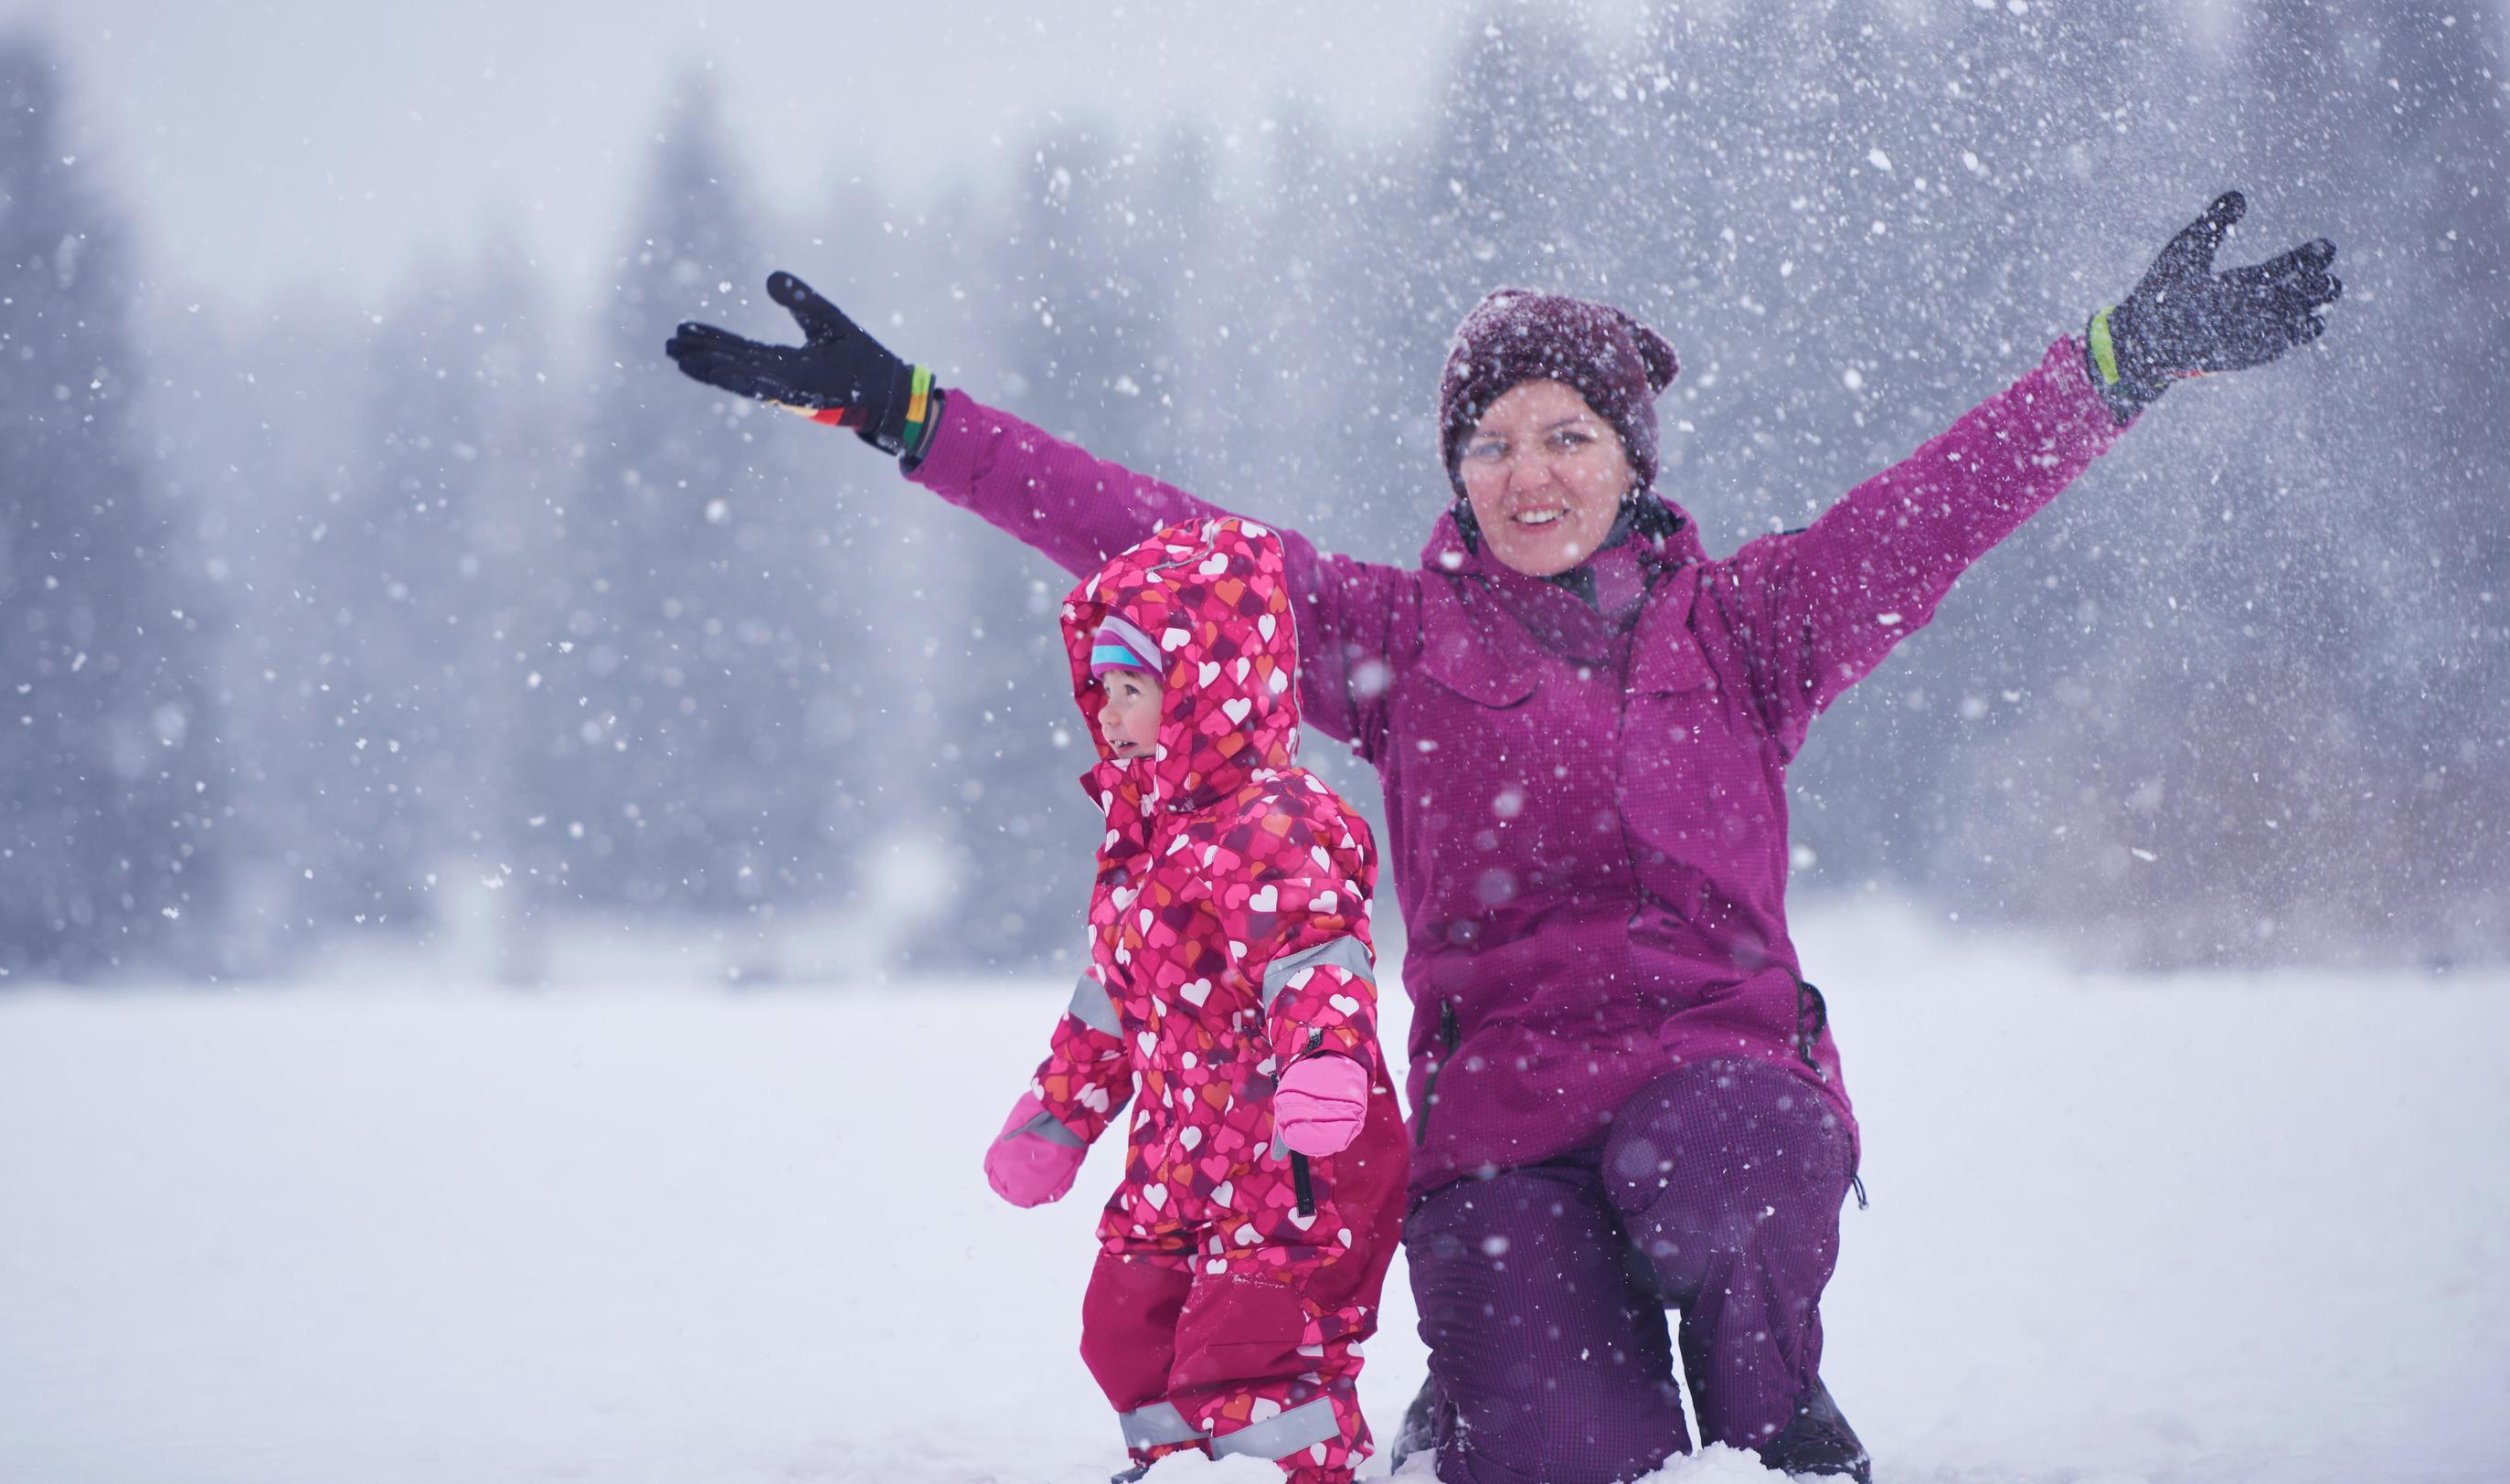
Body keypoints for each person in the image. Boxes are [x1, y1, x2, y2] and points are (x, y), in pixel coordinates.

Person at [667, 191, 2341, 1482]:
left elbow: (1938, 506)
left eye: (1565, 436)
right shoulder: (1389, 639)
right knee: (1544, 1451)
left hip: (1720, 1080)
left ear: (1630, 459)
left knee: (1732, 1174)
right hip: (1500, 1134)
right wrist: (905, 413)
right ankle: (1471, 1408)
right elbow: (1147, 533)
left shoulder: (1751, 630)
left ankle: (1771, 1409)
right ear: (1454, 470)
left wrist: (2120, 365)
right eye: (1489, 442)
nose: (1525, 472)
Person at [980, 514, 1407, 1484]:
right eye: (1107, 691)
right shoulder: (1141, 845)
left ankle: (1290, 1468)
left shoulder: (1277, 822)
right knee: (1126, 1326)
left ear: (1205, 696)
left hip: (1287, 1152)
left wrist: (1324, 1065)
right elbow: (1116, 1001)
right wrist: (1057, 1114)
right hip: (1177, 1152)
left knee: (1254, 1341)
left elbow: (1318, 958)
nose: (1114, 714)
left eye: (1135, 690)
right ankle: (1178, 1465)